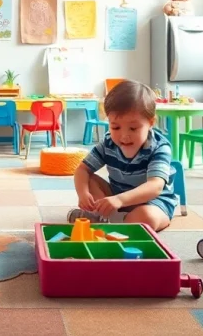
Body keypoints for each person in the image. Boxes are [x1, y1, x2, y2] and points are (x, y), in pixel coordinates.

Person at [66, 80, 178, 232]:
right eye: (115, 127)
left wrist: (119, 200)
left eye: (133, 128)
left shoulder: (159, 147)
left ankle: (113, 221)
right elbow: (82, 170)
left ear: (151, 123)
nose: (124, 136)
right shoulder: (108, 143)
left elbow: (155, 186)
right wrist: (83, 194)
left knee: (147, 218)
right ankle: (103, 215)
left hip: (153, 203)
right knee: (89, 178)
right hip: (117, 197)